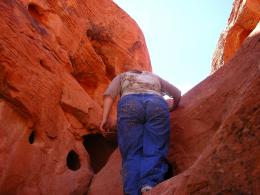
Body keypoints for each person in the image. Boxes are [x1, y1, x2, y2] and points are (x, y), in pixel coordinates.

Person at [100, 69, 181, 195]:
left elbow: (109, 95)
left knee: (131, 152)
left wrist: (104, 119)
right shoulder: (154, 77)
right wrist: (172, 107)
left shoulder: (122, 76)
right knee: (155, 146)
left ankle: (132, 191)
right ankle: (150, 185)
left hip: (129, 104)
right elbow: (177, 93)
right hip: (156, 104)